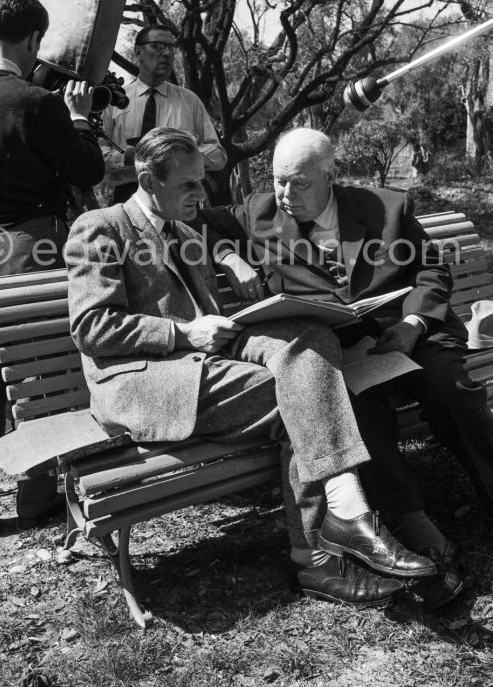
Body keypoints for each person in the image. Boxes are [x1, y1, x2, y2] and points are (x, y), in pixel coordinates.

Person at [65, 126, 436, 609]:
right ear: (147, 180)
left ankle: (339, 529)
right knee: (300, 393)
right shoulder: (101, 227)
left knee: (313, 341)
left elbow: (217, 242)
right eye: (188, 185)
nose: (201, 193)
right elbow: (91, 326)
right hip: (144, 380)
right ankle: (325, 545)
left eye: (202, 181)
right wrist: (182, 333)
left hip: (203, 362)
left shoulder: (183, 226)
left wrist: (226, 259)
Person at [197, 127, 492, 608]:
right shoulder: (259, 211)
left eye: (299, 183)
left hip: (406, 332)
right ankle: (413, 523)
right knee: (351, 406)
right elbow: (189, 225)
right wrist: (230, 254)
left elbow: (432, 269)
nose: (285, 195)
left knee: (451, 388)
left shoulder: (384, 208)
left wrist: (414, 323)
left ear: (330, 176)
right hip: (343, 350)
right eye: (277, 181)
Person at [0, 0, 105, 542]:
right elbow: (84, 170)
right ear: (35, 38)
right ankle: (36, 498)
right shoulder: (36, 104)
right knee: (39, 381)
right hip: (25, 248)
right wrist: (79, 119)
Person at [96, 25, 227, 205]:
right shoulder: (112, 100)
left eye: (171, 48)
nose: (167, 53)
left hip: (179, 199)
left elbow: (218, 155)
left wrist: (178, 157)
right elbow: (95, 156)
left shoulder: (189, 101)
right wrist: (126, 158)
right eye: (157, 46)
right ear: (138, 52)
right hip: (124, 201)